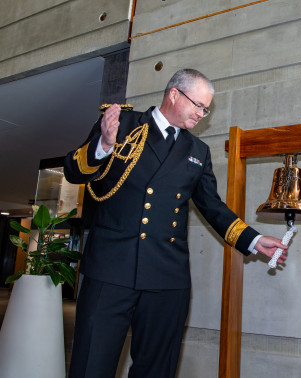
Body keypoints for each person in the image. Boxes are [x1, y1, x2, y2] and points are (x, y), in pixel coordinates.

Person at [63, 68, 288, 378]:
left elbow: (213, 207)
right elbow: (74, 172)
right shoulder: (124, 124)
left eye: (206, 109)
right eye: (198, 105)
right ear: (173, 94)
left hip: (166, 277)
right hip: (111, 269)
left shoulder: (198, 151)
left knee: (157, 369)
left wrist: (252, 239)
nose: (202, 114)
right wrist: (103, 145)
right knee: (92, 365)